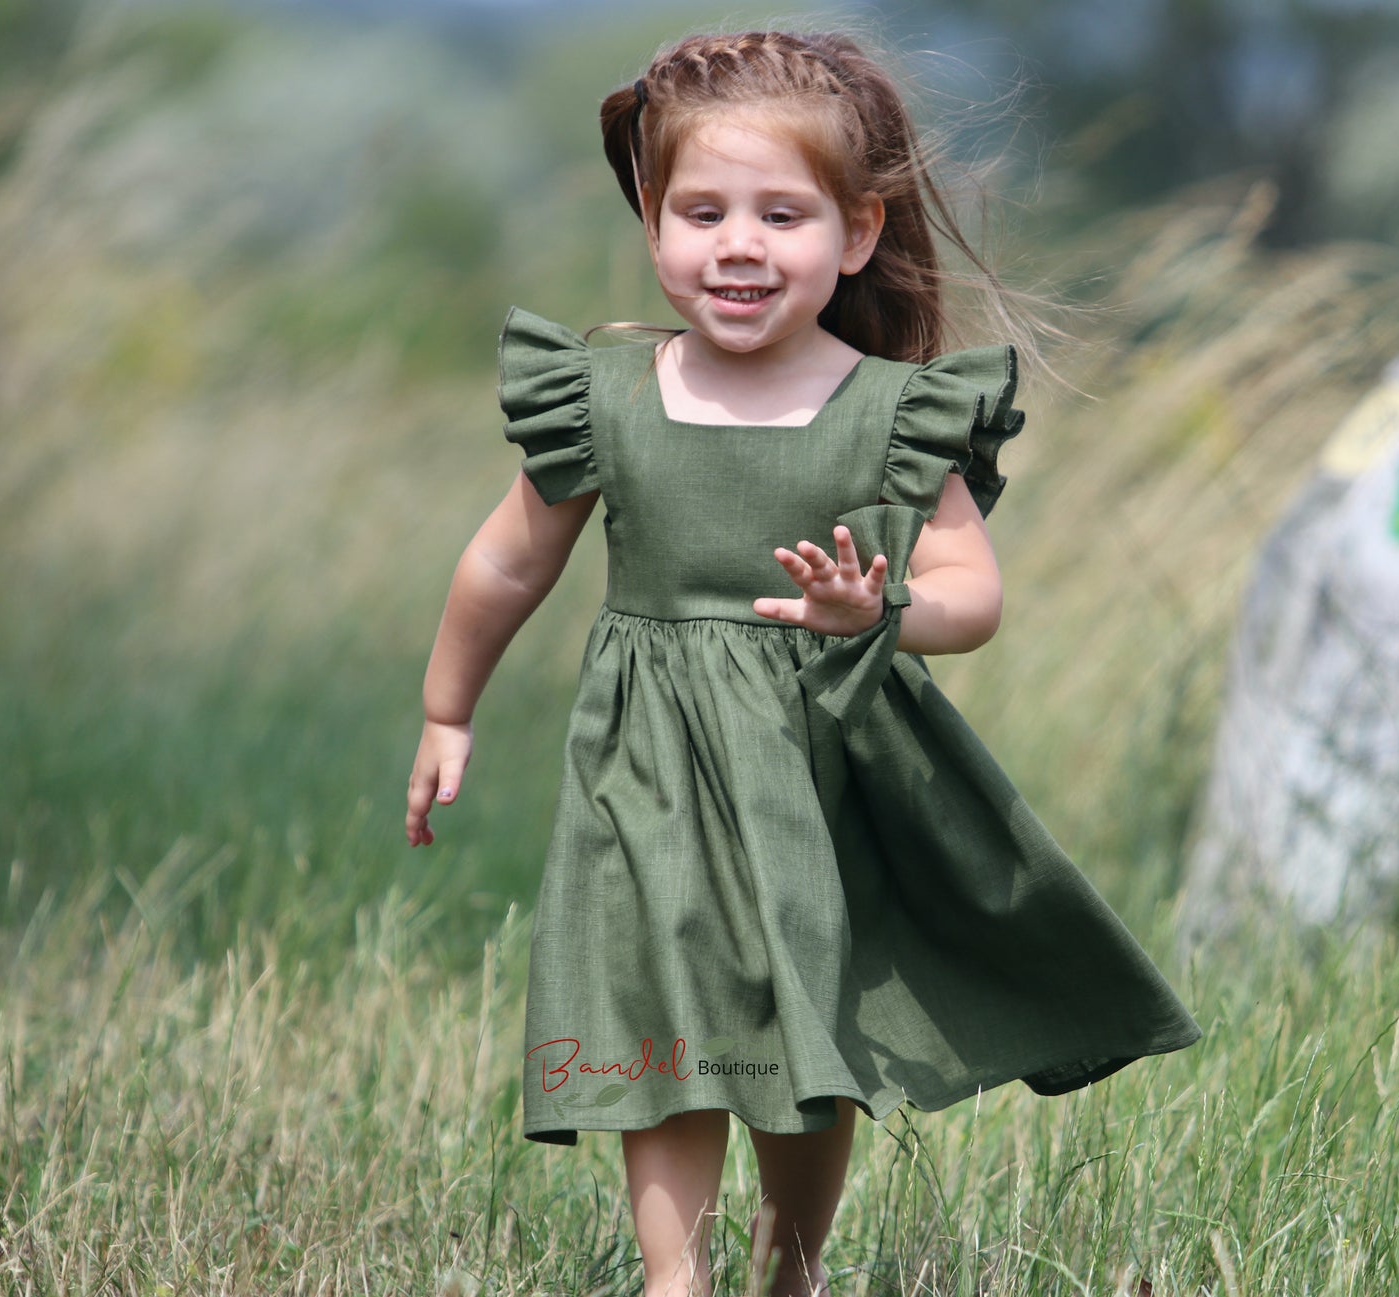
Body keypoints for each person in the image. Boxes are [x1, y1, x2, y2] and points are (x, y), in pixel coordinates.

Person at [405, 27, 1201, 1297]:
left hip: (812, 769)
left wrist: (874, 608)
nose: (736, 243)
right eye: (699, 210)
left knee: (789, 1031)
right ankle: (675, 1277)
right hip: (646, 765)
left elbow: (969, 595)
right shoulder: (605, 398)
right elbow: (506, 562)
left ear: (859, 232)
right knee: (659, 1008)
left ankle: (792, 1266)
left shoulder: (890, 413)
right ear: (654, 222)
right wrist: (448, 710)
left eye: (781, 213)